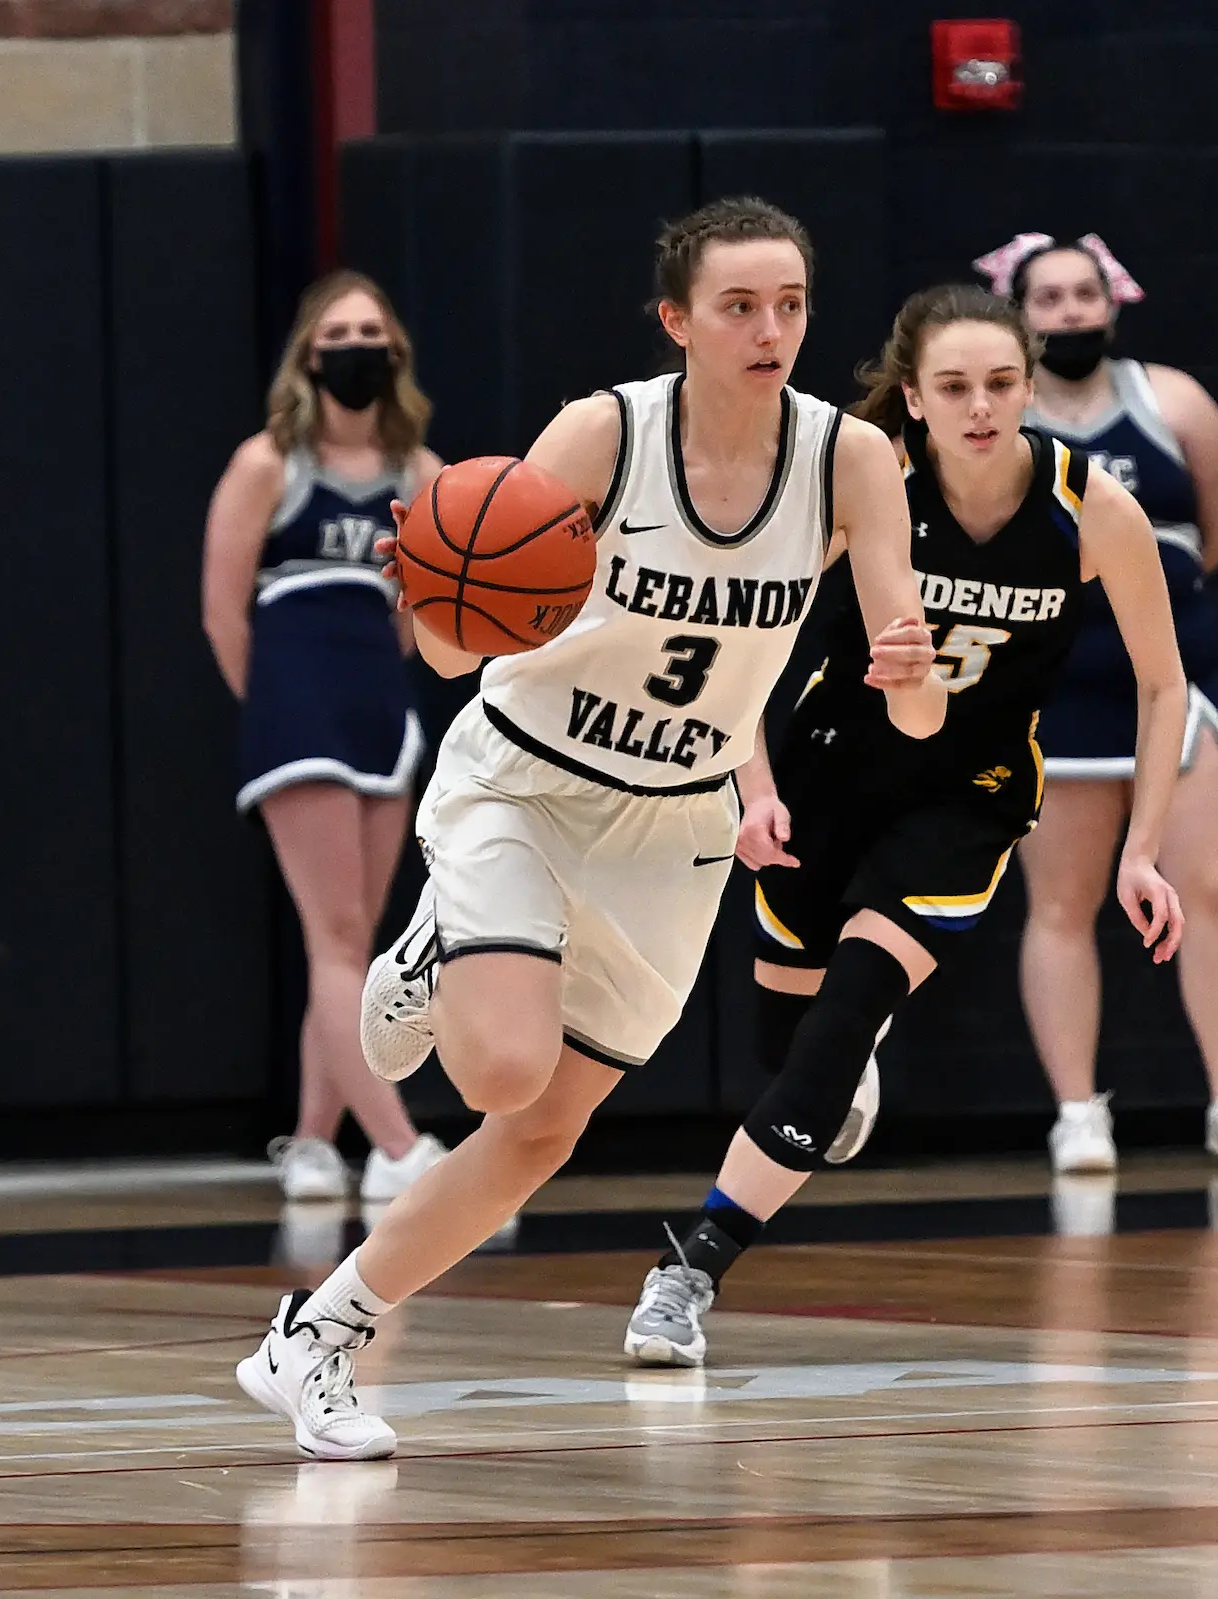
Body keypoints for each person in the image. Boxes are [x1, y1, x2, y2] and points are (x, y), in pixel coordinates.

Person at [232, 197, 945, 1459]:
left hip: (677, 822)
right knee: (497, 1069)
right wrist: (459, 589)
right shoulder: (606, 432)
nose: (770, 328)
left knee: (544, 1130)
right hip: (529, 781)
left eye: (789, 304)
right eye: (739, 306)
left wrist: (913, 672)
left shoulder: (851, 460)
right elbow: (451, 652)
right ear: (678, 321)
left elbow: (922, 699)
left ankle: (318, 1337)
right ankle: (436, 946)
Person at [621, 285, 1188, 1367]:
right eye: (955, 387)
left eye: (1002, 384)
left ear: (1030, 388)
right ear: (915, 400)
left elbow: (1164, 688)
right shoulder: (859, 485)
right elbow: (742, 641)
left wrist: (1142, 849)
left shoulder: (1090, 510)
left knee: (839, 1027)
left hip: (966, 798)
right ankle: (838, 1067)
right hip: (829, 783)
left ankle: (686, 1270)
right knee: (786, 1051)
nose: (982, 408)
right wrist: (756, 785)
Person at [974, 232, 1218, 1174]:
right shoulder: (1002, 417)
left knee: (1215, 889)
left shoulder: (1176, 401)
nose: (1070, 311)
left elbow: (1217, 533)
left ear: (1113, 304)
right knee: (1062, 903)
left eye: (1085, 294)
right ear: (1016, 314)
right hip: (1051, 692)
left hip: (1175, 683)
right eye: (1049, 298)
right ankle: (1078, 1111)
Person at [203, 271, 448, 1204]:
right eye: (339, 331)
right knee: (340, 936)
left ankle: (312, 1141)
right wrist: (271, 708)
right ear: (310, 353)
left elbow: (428, 616)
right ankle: (396, 1145)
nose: (357, 346)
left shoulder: (421, 472)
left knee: (345, 939)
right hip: (295, 705)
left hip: (378, 708)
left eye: (372, 331)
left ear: (396, 353)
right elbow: (224, 614)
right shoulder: (267, 463)